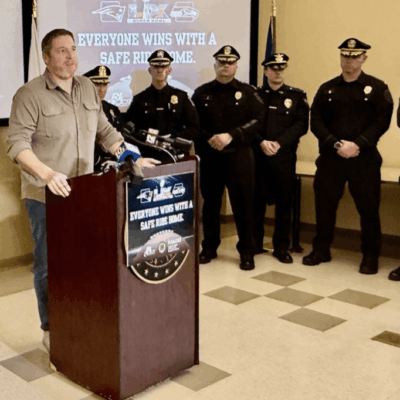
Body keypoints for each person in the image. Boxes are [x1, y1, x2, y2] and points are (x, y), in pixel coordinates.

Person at [3, 29, 159, 351]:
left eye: (73, 49)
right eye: (61, 51)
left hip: (84, 193)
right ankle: (50, 328)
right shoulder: (28, 94)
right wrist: (47, 174)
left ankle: (78, 316)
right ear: (46, 58)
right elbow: (16, 144)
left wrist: (128, 154)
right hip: (45, 196)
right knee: (48, 265)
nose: (70, 56)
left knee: (84, 261)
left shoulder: (87, 87)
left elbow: (105, 131)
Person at [302, 38, 393, 274]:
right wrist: (336, 144)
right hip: (332, 158)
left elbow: (382, 121)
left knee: (368, 210)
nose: (349, 60)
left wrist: (358, 145)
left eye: (354, 56)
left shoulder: (377, 88)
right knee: (324, 206)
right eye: (345, 55)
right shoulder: (327, 88)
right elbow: (316, 121)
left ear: (363, 58)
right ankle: (321, 249)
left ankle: (370, 256)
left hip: (364, 159)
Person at [192, 45, 264, 270]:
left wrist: (231, 136)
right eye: (221, 62)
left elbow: (258, 120)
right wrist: (211, 138)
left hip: (239, 157)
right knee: (210, 205)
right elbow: (195, 124)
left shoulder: (249, 92)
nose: (225, 65)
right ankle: (209, 247)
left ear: (236, 65)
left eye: (230, 62)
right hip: (211, 156)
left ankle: (247, 251)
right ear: (215, 65)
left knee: (243, 205)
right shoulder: (201, 93)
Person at [254, 53, 309, 263]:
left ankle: (281, 247)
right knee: (256, 202)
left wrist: (279, 143)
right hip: (259, 156)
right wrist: (261, 141)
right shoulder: (256, 95)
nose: (277, 71)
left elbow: (301, 125)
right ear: (265, 71)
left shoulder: (296, 96)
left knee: (284, 203)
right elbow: (250, 122)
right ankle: (255, 244)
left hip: (284, 156)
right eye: (273, 68)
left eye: (280, 68)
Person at [125, 49, 200, 140]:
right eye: (156, 67)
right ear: (150, 70)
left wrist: (174, 137)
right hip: (147, 150)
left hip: (174, 150)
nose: (160, 70)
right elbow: (129, 129)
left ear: (169, 70)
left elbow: (194, 127)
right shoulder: (140, 99)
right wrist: (146, 138)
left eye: (163, 67)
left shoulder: (181, 97)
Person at [83, 65, 126, 169]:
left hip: (115, 164)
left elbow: (121, 136)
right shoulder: (82, 110)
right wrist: (99, 161)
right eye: (98, 84)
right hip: (92, 166)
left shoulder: (112, 110)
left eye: (105, 84)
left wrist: (128, 158)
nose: (102, 89)